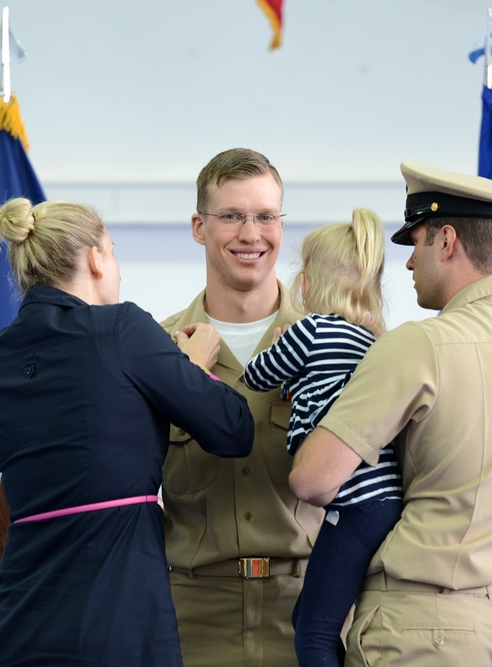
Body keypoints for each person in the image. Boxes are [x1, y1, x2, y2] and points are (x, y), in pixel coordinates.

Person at [290, 160, 492, 666]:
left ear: (447, 241)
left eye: (417, 242)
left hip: (415, 631)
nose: (407, 264)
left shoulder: (420, 345)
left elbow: (312, 481)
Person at [0, 198, 254, 666]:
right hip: (114, 618)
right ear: (94, 258)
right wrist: (192, 369)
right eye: (114, 251)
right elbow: (233, 429)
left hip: (17, 622)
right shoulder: (122, 328)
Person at [159, 148, 323, 667]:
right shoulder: (154, 351)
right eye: (231, 216)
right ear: (199, 227)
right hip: (190, 618)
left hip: (307, 611)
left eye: (266, 216)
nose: (251, 234)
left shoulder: (332, 345)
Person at [242, 208, 403, 667]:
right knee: (323, 618)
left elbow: (257, 376)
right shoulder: (371, 340)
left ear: (309, 283)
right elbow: (320, 394)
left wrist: (277, 344)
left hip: (351, 507)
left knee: (312, 629)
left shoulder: (310, 330)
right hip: (381, 500)